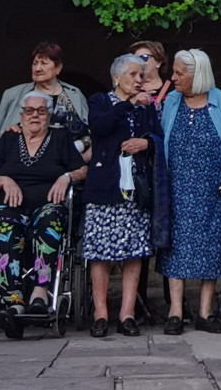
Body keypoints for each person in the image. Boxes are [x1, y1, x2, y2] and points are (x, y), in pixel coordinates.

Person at [0, 89, 87, 338]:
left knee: (49, 222)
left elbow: (82, 171)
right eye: (29, 111)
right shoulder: (8, 140)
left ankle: (40, 291)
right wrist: (4, 180)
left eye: (41, 111)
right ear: (21, 114)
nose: (35, 115)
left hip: (47, 205)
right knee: (4, 230)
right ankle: (13, 302)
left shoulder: (60, 139)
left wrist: (65, 177)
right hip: (10, 206)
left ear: (49, 115)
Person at [158, 48, 221, 335]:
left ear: (197, 75)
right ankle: (175, 312)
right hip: (176, 187)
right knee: (176, 247)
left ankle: (205, 313)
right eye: (173, 71)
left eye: (179, 73)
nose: (173, 77)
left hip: (214, 190)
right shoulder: (172, 101)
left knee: (212, 248)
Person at [81, 54, 161, 338]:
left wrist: (147, 142)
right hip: (104, 186)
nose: (139, 80)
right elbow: (100, 128)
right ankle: (100, 313)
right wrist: (128, 104)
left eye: (141, 76)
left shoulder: (146, 106)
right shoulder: (100, 101)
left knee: (134, 252)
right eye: (133, 75)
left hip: (135, 188)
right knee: (100, 253)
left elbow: (158, 136)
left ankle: (127, 313)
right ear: (117, 78)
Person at [0, 41, 89, 154]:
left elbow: (89, 134)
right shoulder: (12, 94)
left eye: (44, 63)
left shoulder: (74, 94)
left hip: (66, 165)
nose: (37, 68)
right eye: (35, 63)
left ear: (58, 68)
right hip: (21, 164)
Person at [129, 39, 173, 105]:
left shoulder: (173, 89)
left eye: (144, 57)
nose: (138, 62)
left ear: (158, 62)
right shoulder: (128, 87)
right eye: (135, 59)